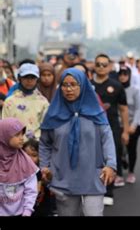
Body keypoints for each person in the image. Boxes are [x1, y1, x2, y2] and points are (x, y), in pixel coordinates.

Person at [39, 68, 116, 216]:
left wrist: (110, 164)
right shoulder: (53, 114)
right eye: (65, 85)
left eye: (74, 84)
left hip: (93, 175)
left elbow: (107, 139)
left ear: (83, 86)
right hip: (63, 176)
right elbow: (45, 143)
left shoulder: (96, 112)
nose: (69, 89)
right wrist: (45, 166)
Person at [91, 54, 129, 206]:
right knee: (93, 158)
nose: (101, 67)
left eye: (104, 64)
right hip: (92, 129)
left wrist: (125, 131)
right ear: (94, 66)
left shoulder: (117, 85)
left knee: (111, 158)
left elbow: (124, 109)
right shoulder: (87, 85)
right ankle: (94, 188)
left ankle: (109, 190)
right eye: (98, 64)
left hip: (112, 127)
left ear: (109, 67)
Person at [0, 118, 39, 216]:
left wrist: (27, 211)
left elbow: (31, 190)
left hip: (21, 213)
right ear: (4, 136)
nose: (22, 138)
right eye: (17, 135)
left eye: (22, 134)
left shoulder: (25, 161)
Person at [2, 63, 49, 139]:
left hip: (35, 146)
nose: (29, 81)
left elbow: (45, 127)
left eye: (33, 77)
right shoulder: (10, 101)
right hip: (13, 144)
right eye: (26, 77)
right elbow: (4, 126)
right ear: (19, 78)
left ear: (37, 79)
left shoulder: (43, 102)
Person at [117, 65, 140, 184]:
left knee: (131, 149)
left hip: (132, 124)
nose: (122, 77)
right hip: (118, 124)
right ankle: (120, 168)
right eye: (120, 74)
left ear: (129, 75)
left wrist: (134, 125)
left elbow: (138, 109)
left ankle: (131, 172)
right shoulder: (115, 89)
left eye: (125, 74)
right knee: (118, 149)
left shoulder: (135, 90)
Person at [23, 138, 54, 216]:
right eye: (26, 155)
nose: (29, 159)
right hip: (25, 209)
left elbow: (50, 181)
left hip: (43, 208)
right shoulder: (19, 171)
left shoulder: (42, 170)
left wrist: (48, 176)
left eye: (34, 155)